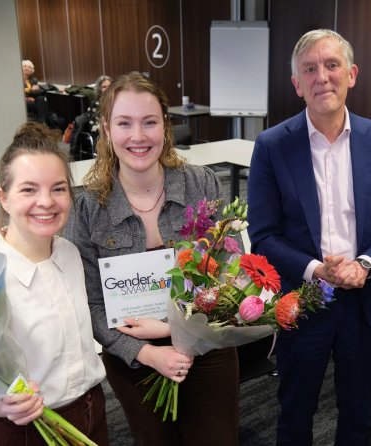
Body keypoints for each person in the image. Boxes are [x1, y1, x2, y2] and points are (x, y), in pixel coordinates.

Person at [247, 29, 371, 445]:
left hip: (364, 302)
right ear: (297, 84)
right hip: (302, 303)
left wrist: (365, 265)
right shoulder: (272, 146)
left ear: (352, 74)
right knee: (295, 414)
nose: (322, 76)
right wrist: (315, 269)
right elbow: (263, 233)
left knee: (359, 416)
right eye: (310, 69)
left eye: (332, 65)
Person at [65, 72, 239, 445]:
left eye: (149, 122)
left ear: (166, 126)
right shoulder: (87, 209)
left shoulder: (202, 185)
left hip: (206, 347)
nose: (138, 136)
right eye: (124, 123)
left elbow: (230, 277)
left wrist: (173, 330)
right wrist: (145, 352)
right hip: (132, 360)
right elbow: (89, 304)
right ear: (107, 131)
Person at [0, 122, 108, 445]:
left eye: (58, 188)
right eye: (28, 189)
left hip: (93, 409)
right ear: (3, 199)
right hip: (25, 429)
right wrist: (0, 405)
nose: (46, 201)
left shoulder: (70, 253)